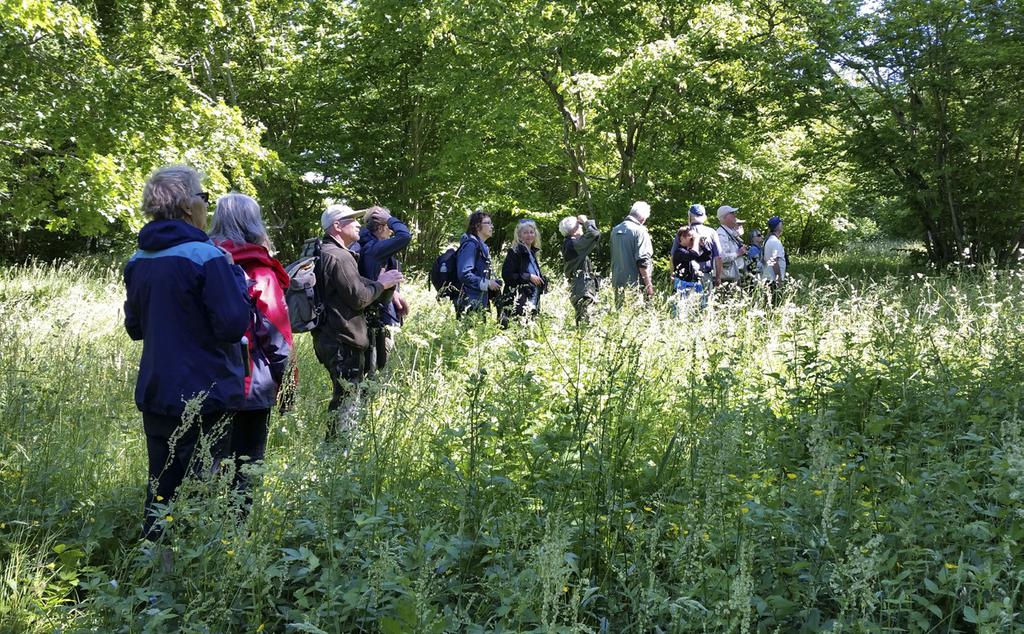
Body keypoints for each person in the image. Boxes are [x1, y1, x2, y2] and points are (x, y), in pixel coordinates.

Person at [123, 165, 251, 538]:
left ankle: (156, 564)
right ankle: (194, 572)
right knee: (202, 485)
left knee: (161, 486)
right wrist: (236, 279)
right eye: (203, 197)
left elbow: (135, 328)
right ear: (185, 206)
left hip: (157, 390)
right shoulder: (207, 257)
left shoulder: (139, 259)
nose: (206, 205)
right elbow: (233, 325)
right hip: (205, 392)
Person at [208, 193, 293, 502]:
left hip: (204, 381)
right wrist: (287, 388)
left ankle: (201, 533)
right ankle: (236, 537)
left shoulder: (201, 262)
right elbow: (277, 336)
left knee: (209, 464)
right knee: (246, 467)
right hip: (251, 384)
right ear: (254, 224)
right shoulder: (259, 270)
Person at [312, 204, 403, 436]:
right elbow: (359, 298)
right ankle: (339, 455)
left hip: (328, 335)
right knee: (347, 399)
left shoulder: (324, 251)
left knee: (343, 396)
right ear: (336, 226)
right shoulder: (340, 257)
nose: (357, 224)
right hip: (342, 338)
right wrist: (384, 283)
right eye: (351, 220)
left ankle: (336, 451)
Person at [357, 206, 411, 374]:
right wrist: (389, 218)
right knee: (372, 371)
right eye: (389, 227)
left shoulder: (370, 245)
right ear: (380, 228)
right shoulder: (373, 248)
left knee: (374, 368)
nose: (391, 232)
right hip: (373, 319)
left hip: (377, 315)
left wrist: (393, 292)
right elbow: (405, 236)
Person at [499, 219, 548, 327]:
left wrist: (542, 281)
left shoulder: (532, 252)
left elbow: (534, 275)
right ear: (519, 235)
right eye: (525, 232)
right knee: (517, 329)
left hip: (532, 297)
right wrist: (528, 277)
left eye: (531, 232)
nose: (529, 235)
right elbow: (507, 275)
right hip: (518, 299)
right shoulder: (515, 251)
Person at [456, 210, 501, 318]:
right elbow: (464, 274)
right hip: (469, 302)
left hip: (479, 301)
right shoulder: (470, 246)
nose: (492, 226)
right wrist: (488, 283)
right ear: (477, 226)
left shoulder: (481, 246)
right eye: (488, 223)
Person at [610, 201, 654, 307]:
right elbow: (642, 262)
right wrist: (649, 287)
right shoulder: (640, 231)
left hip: (617, 281)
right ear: (643, 218)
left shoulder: (615, 230)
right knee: (637, 317)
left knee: (620, 316)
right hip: (635, 284)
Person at [560, 214, 600, 325]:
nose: (582, 227)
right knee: (585, 324)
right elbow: (594, 234)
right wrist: (587, 221)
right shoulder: (574, 244)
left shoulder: (569, 243)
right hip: (582, 290)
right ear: (573, 229)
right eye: (579, 225)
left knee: (583, 321)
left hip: (578, 289)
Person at [671, 225, 713, 312]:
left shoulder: (689, 251)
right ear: (682, 237)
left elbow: (707, 256)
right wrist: (696, 239)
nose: (693, 240)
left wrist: (702, 244)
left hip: (693, 284)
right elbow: (693, 255)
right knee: (681, 312)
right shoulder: (679, 252)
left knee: (695, 311)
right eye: (691, 238)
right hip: (682, 285)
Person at [688, 204, 722, 289]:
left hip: (686, 277)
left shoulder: (683, 232)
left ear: (690, 216)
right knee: (705, 301)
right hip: (706, 276)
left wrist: (673, 275)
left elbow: (673, 256)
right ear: (704, 216)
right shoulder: (711, 232)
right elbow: (719, 257)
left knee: (687, 301)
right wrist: (718, 278)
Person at [715, 205, 748, 289]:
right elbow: (722, 258)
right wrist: (738, 253)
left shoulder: (729, 232)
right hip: (727, 279)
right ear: (725, 217)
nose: (735, 215)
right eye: (732, 213)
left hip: (734, 277)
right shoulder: (721, 234)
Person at [762, 215, 787, 288]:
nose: (782, 226)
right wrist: (778, 279)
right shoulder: (775, 242)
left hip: (768, 278)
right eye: (781, 224)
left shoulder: (769, 240)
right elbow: (774, 261)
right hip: (772, 280)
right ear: (779, 226)